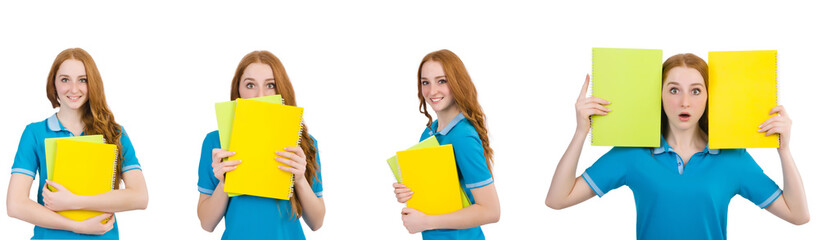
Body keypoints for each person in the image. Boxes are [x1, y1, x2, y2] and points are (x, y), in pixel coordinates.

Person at [545, 53, 809, 239]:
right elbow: (558, 199)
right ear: (659, 95)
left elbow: (798, 215)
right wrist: (581, 132)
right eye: (673, 90)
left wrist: (783, 150)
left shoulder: (732, 157)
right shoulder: (632, 153)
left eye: (695, 90)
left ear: (708, 97)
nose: (685, 101)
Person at [7, 48, 149, 239]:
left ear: (93, 84)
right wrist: (76, 226)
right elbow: (15, 205)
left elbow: (140, 197)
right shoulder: (35, 133)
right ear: (54, 83)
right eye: (65, 79)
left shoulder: (115, 133)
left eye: (83, 80)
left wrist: (73, 201)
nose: (74, 89)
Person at [196, 50, 325, 239]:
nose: (260, 95)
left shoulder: (304, 142)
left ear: (281, 89)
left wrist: (299, 179)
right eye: (250, 85)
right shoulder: (215, 142)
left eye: (270, 85)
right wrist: (224, 183)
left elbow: (317, 222)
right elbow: (206, 223)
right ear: (238, 90)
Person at [392, 49, 500, 239]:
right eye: (425, 82)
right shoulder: (429, 132)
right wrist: (409, 194)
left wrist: (426, 222)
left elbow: (491, 211)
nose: (432, 91)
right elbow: (436, 195)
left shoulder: (463, 136)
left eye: (442, 81)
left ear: (458, 82)